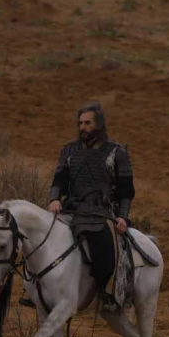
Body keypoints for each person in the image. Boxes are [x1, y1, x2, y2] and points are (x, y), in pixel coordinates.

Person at [48, 102, 134, 312]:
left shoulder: (117, 152)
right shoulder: (69, 150)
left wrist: (122, 217)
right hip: (71, 209)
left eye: (87, 123)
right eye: (80, 123)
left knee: (103, 254)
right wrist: (54, 199)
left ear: (99, 125)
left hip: (102, 213)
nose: (82, 127)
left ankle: (105, 294)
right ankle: (40, 291)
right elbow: (59, 179)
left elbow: (126, 191)